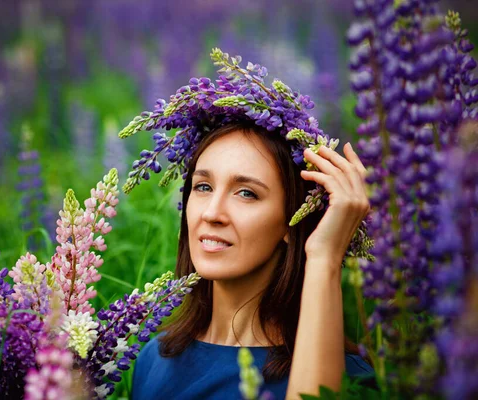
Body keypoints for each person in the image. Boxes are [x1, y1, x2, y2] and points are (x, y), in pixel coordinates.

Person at [130, 121, 373, 400]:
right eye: (203, 186)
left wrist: (324, 257)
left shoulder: (350, 379)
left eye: (246, 193)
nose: (211, 213)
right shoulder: (153, 358)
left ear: (291, 222)